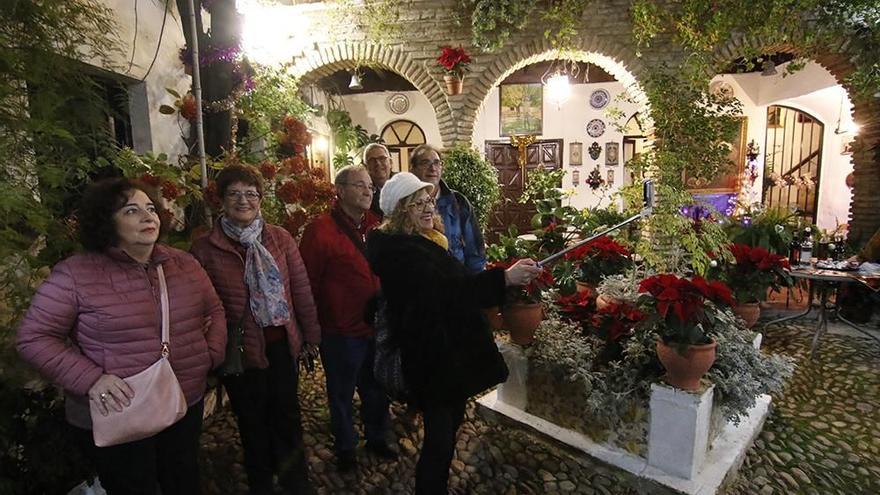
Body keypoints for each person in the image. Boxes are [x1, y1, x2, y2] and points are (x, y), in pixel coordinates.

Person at [17, 177, 227, 495]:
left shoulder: (182, 263)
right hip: (120, 412)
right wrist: (91, 379)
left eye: (150, 208)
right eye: (131, 210)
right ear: (106, 221)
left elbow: (215, 310)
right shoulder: (76, 274)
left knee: (183, 479)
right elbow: (34, 337)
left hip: (182, 400)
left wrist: (210, 355)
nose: (148, 216)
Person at [366, 172, 541, 494]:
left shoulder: (424, 242)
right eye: (417, 203)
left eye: (429, 200)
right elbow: (450, 292)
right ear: (400, 210)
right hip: (431, 357)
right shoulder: (404, 253)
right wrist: (504, 279)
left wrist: (504, 277)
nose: (427, 207)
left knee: (448, 425)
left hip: (445, 353)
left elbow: (453, 289)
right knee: (440, 437)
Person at [190, 164, 321, 495]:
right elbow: (201, 308)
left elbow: (300, 290)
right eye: (234, 193)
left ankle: (294, 481)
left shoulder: (280, 238)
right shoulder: (205, 248)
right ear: (221, 200)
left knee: (287, 416)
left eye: (250, 193)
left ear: (261, 198)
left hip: (280, 344)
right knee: (251, 421)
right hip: (239, 351)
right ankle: (261, 481)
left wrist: (311, 336)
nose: (243, 200)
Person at [299, 165, 396, 472]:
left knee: (376, 386)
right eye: (360, 185)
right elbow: (307, 282)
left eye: (370, 186)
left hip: (374, 326)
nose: (369, 191)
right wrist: (311, 329)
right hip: (340, 330)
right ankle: (345, 446)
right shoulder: (320, 231)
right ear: (339, 190)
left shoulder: (375, 226)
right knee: (341, 391)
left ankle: (378, 436)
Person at [409, 144, 486, 274]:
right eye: (425, 163)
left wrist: (475, 283)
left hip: (457, 282)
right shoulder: (406, 204)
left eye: (437, 163)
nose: (432, 168)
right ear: (413, 169)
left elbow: (475, 249)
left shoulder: (458, 202)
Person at [363, 143, 393, 218]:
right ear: (366, 167)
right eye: (372, 160)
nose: (378, 163)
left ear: (391, 163)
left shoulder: (403, 183)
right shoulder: (363, 192)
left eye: (382, 158)